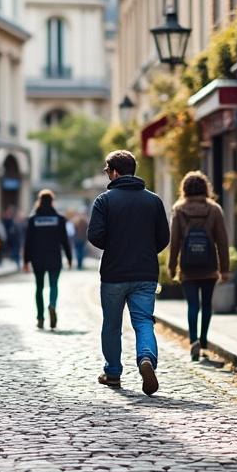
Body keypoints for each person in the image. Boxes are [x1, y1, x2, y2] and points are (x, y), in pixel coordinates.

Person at [87, 150, 170, 396]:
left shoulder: (104, 201)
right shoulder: (153, 200)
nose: (107, 176)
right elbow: (163, 237)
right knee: (144, 321)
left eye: (106, 171)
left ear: (114, 171)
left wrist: (116, 246)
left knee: (112, 324)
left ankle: (113, 372)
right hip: (145, 272)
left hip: (114, 272)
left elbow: (95, 236)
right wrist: (144, 251)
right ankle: (146, 359)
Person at [168, 171, 231, 363]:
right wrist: (225, 268)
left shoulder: (179, 210)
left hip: (187, 266)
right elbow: (222, 241)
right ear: (206, 188)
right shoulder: (214, 210)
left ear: (184, 189)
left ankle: (193, 340)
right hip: (209, 265)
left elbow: (175, 241)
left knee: (192, 305)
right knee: (206, 305)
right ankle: (203, 341)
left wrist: (171, 267)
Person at [24, 190, 73, 330]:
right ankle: (52, 304)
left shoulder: (33, 219)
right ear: (52, 202)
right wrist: (69, 258)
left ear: (39, 201)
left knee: (39, 288)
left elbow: (28, 242)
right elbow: (65, 241)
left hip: (37, 258)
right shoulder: (59, 219)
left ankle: (40, 318)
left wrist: (26, 261)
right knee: (53, 285)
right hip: (54, 257)